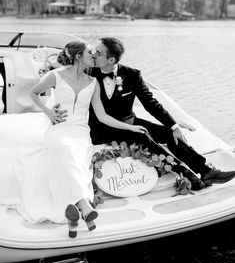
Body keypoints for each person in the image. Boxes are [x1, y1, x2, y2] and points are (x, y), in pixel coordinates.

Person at [0, 40, 147, 238]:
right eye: (90, 52)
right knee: (67, 153)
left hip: (80, 131)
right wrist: (48, 112)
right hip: (59, 129)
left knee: (78, 160)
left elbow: (103, 116)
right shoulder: (56, 76)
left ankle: (74, 215)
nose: (94, 55)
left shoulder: (93, 82)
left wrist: (130, 127)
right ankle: (84, 206)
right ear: (79, 56)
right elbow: (32, 93)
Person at [89, 37, 235, 190]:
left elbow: (151, 104)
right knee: (142, 136)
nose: (93, 54)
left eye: (98, 53)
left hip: (129, 121)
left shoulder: (132, 75)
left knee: (168, 134)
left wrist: (174, 126)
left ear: (111, 59)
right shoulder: (89, 73)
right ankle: (185, 174)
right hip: (102, 128)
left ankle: (206, 171)